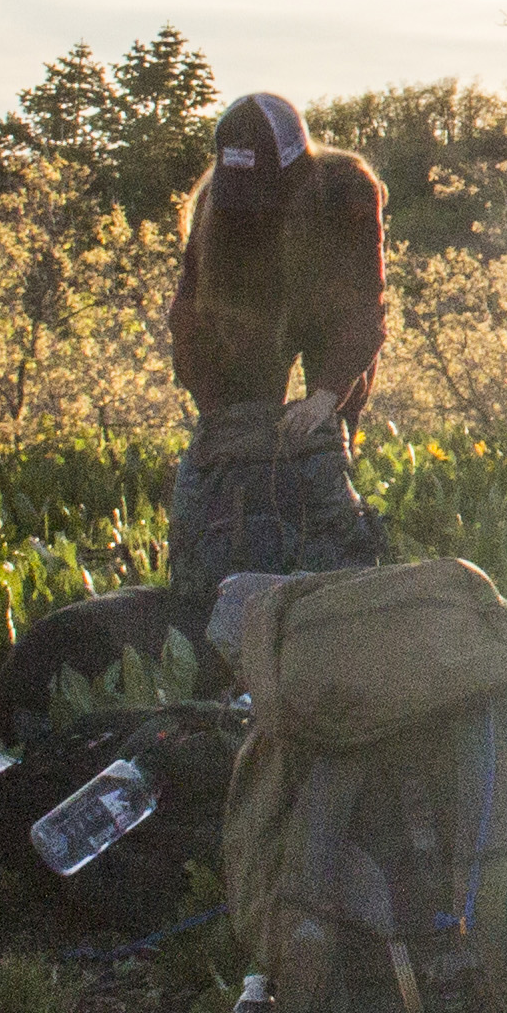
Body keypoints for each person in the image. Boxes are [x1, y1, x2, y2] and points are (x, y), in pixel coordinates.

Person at [164, 90, 393, 628]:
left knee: (321, 439)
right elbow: (191, 325)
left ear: (298, 167)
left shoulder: (345, 191)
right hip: (254, 312)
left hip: (327, 302)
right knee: (237, 439)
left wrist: (326, 397)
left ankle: (325, 548)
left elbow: (363, 307)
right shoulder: (215, 206)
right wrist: (221, 417)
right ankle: (238, 548)